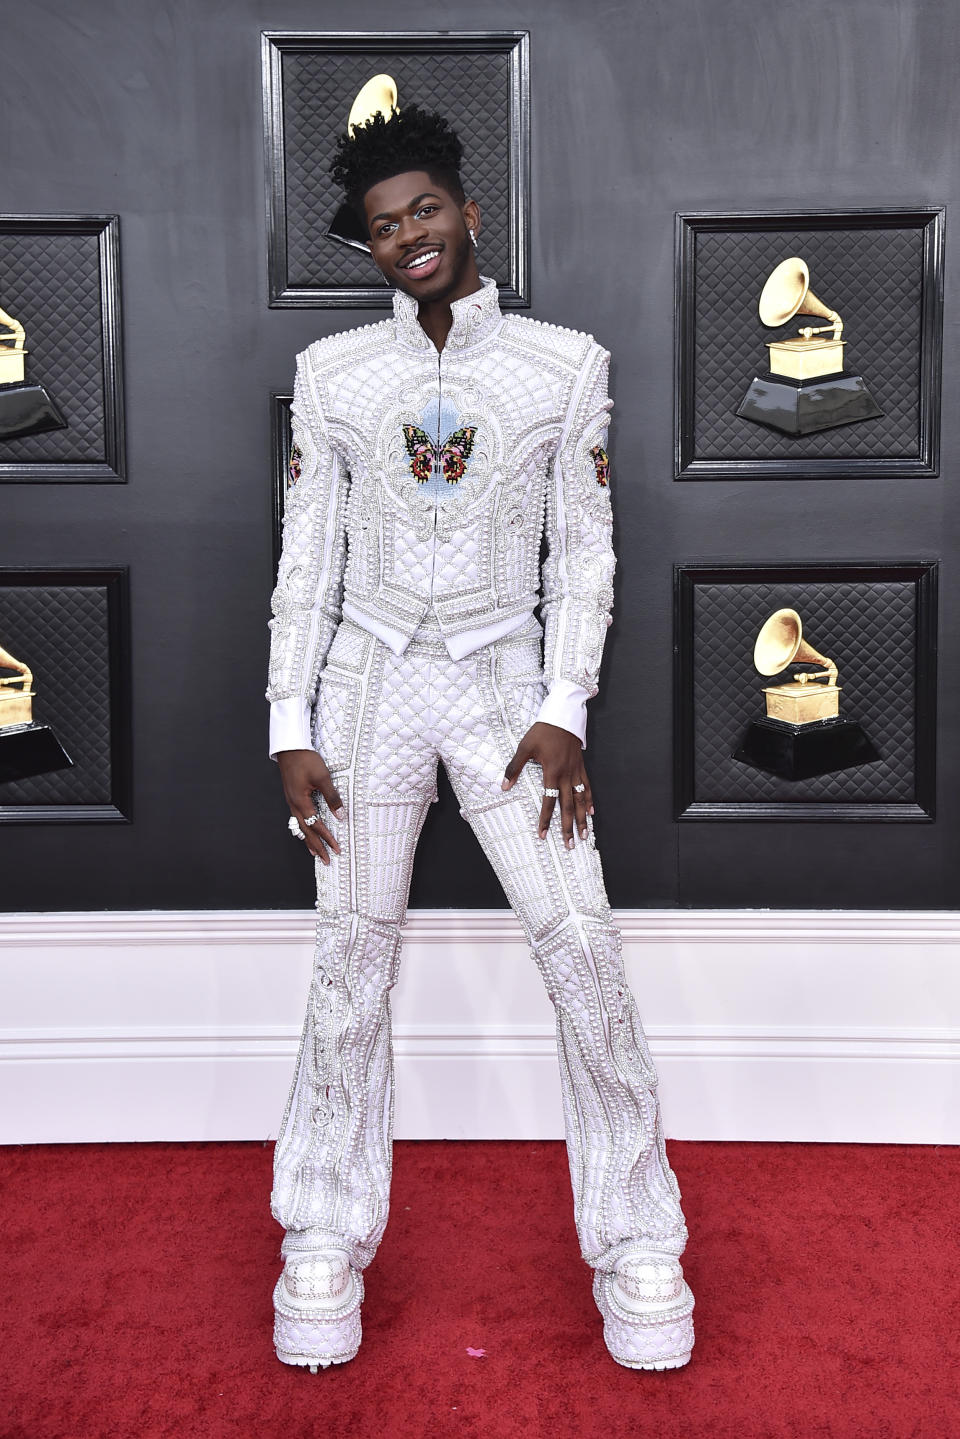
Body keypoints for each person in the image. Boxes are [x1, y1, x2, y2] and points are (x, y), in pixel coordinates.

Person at [265, 91, 694, 1373]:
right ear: (369, 245)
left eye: (427, 210)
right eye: (386, 225)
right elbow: (305, 563)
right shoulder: (331, 374)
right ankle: (322, 1235)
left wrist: (565, 706)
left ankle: (637, 1239)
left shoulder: (565, 365)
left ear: (467, 210)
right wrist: (291, 718)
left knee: (585, 953)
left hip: (511, 687)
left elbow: (590, 557)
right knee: (349, 969)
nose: (411, 236)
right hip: (367, 686)